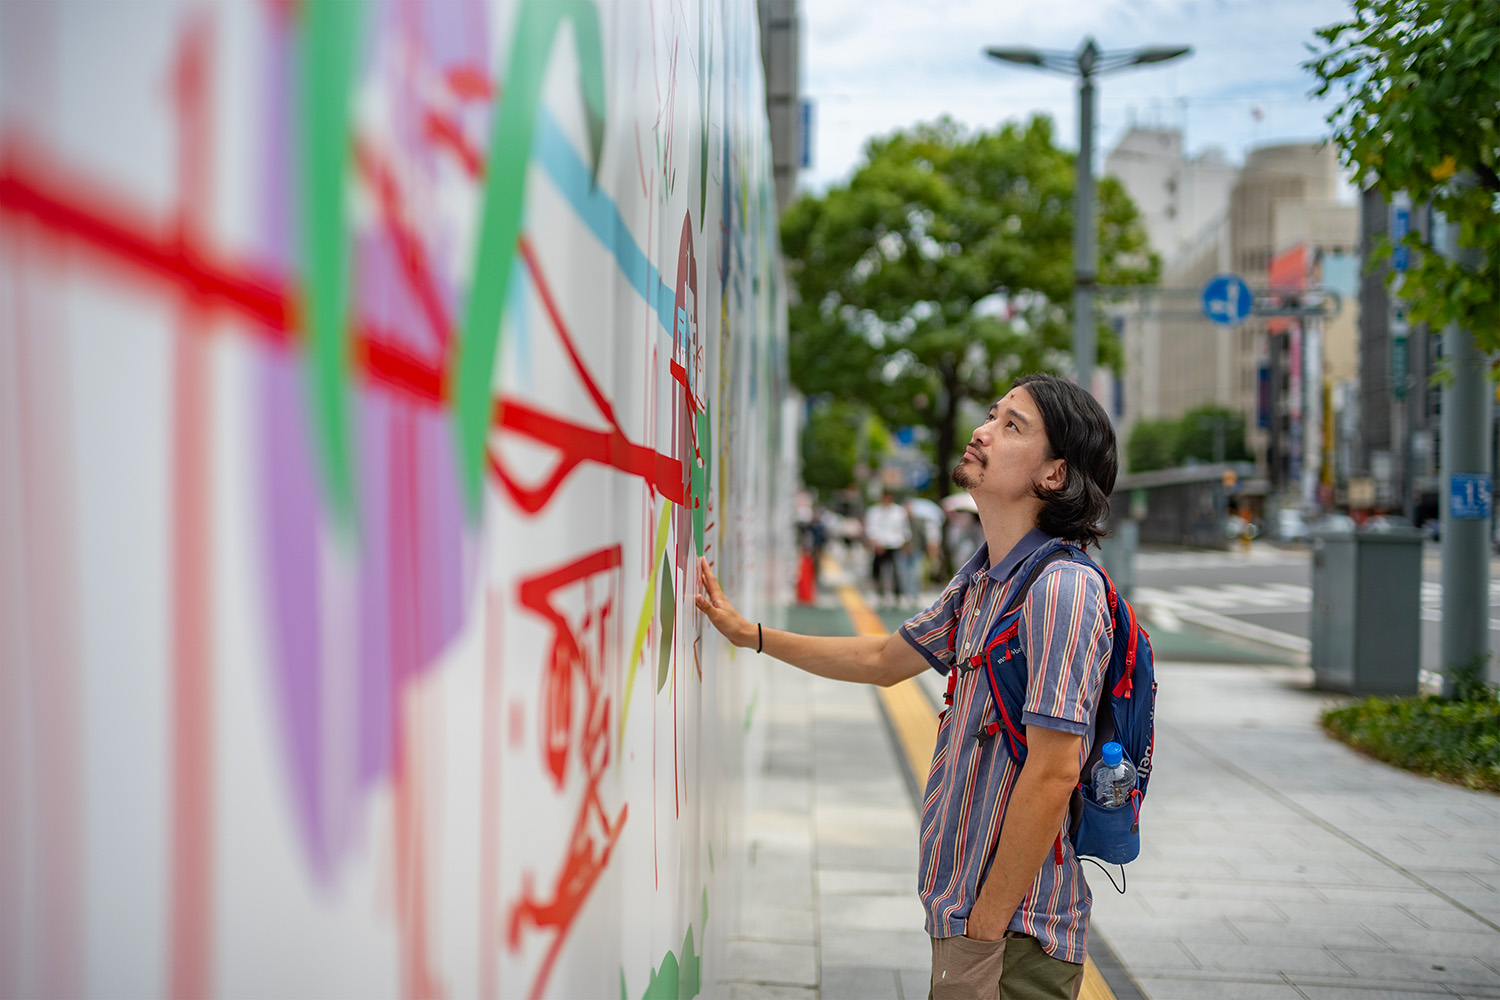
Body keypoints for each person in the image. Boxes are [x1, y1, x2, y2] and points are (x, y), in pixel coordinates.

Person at [696, 373, 1118, 1000]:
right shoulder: (984, 583)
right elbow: (882, 658)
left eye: (1012, 426)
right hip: (973, 923)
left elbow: (1055, 773)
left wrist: (983, 932)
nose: (982, 431)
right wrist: (750, 634)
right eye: (993, 415)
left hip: (1015, 936)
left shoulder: (1060, 589)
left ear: (1054, 475)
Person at [864, 490, 912, 608]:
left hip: (895, 543)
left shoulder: (899, 512)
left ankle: (898, 595)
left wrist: (906, 543)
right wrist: (875, 542)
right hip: (880, 544)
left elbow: (904, 528)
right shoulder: (874, 511)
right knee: (877, 570)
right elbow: (871, 528)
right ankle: (879, 594)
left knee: (897, 571)